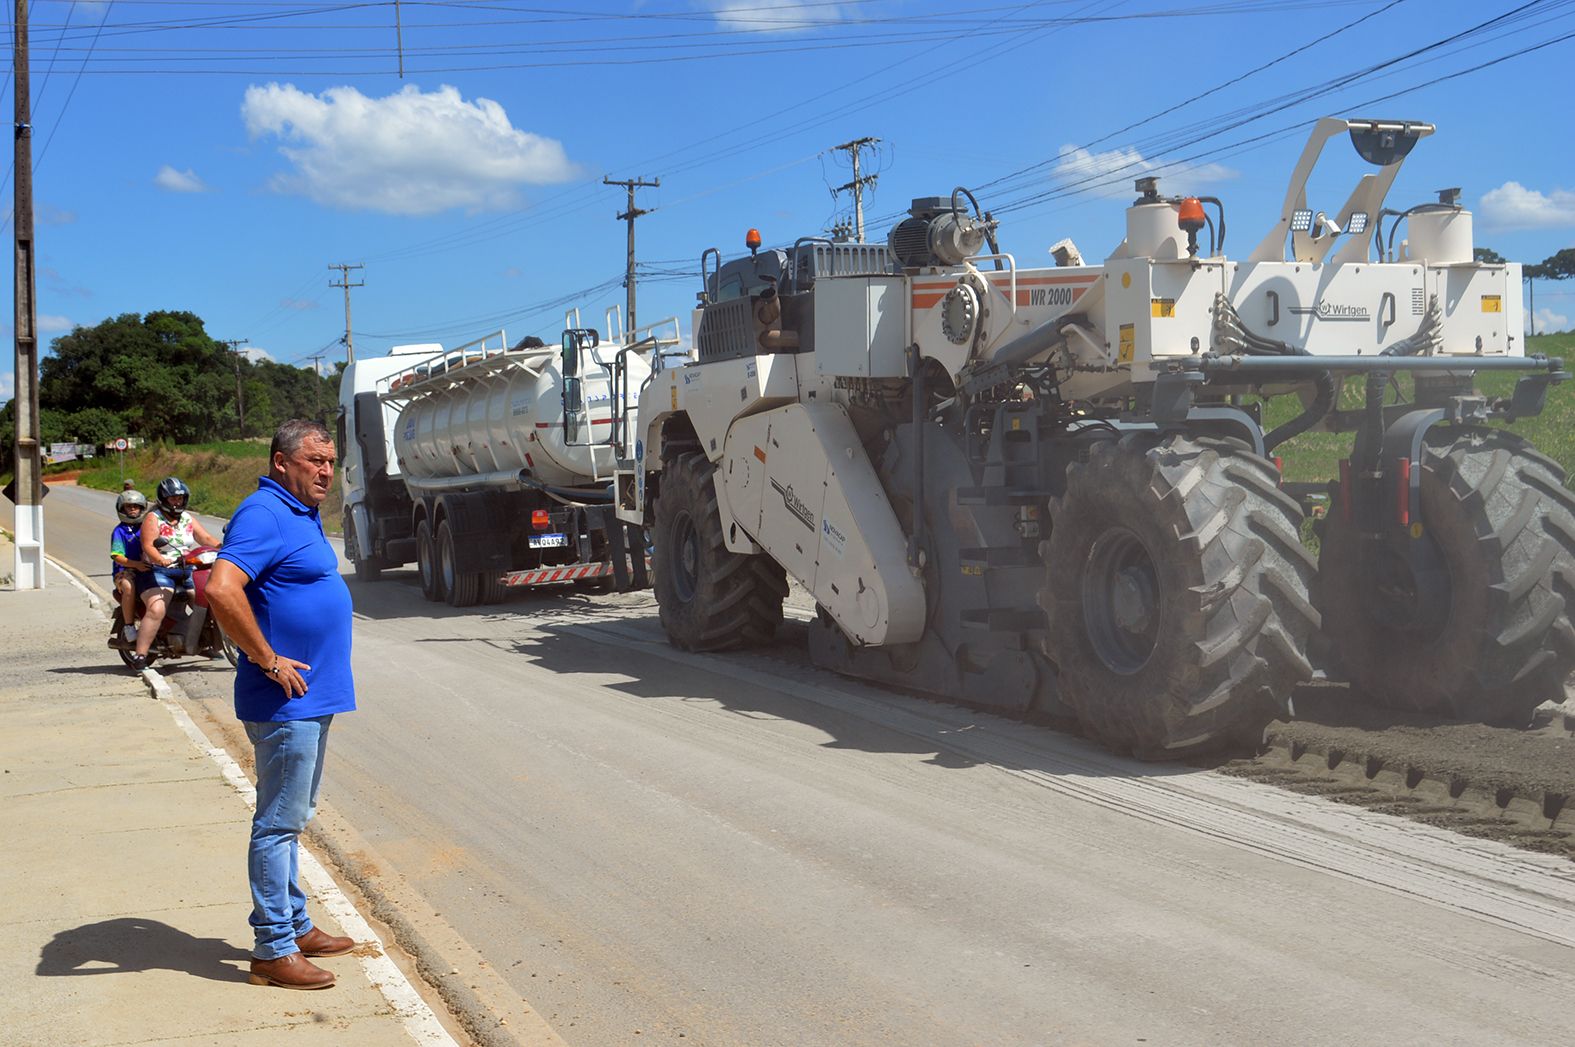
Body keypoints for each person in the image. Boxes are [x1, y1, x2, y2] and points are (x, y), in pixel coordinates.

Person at [205, 419, 356, 990]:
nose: (326, 471)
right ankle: (272, 947)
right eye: (315, 460)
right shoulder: (264, 513)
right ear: (280, 463)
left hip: (311, 699)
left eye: (331, 461)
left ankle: (295, 925)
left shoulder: (297, 512)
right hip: (283, 702)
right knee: (276, 825)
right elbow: (221, 588)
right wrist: (268, 659)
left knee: (294, 819)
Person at [130, 477, 222, 671]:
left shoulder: (187, 518)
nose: (177, 502)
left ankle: (203, 641)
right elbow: (148, 545)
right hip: (158, 571)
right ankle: (140, 654)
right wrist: (160, 559)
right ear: (163, 499)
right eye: (173, 499)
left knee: (206, 600)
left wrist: (224, 548)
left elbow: (203, 537)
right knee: (157, 609)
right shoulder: (153, 518)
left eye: (180, 498)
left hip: (186, 568)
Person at [110, 490, 151, 642]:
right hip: (125, 571)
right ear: (122, 509)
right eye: (129, 507)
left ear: (142, 508)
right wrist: (136, 565)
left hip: (148, 567)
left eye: (136, 506)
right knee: (128, 587)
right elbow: (117, 556)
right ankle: (128, 625)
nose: (133, 509)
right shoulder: (119, 531)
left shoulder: (147, 526)